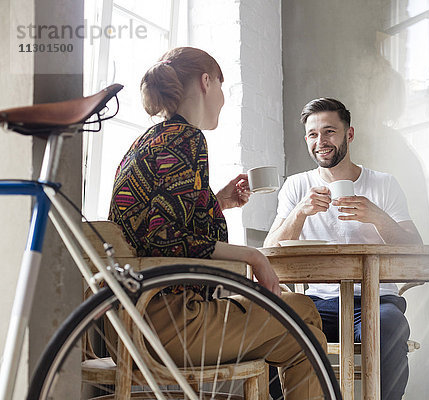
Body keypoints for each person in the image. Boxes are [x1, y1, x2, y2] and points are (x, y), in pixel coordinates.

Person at [108, 47, 326, 399]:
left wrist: (217, 202)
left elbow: (161, 225)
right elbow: (163, 239)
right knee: (303, 311)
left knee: (306, 338)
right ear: (206, 81)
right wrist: (254, 257)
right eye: (223, 85)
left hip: (129, 322)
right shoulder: (188, 139)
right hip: (170, 325)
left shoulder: (148, 141)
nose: (224, 97)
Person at [264, 97, 423, 399]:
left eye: (329, 132)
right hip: (318, 305)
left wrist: (376, 216)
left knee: (391, 326)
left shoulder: (384, 184)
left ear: (349, 134)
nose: (320, 141)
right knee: (273, 326)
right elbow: (270, 251)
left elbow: (413, 249)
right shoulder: (297, 186)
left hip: (376, 303)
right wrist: (299, 213)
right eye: (313, 134)